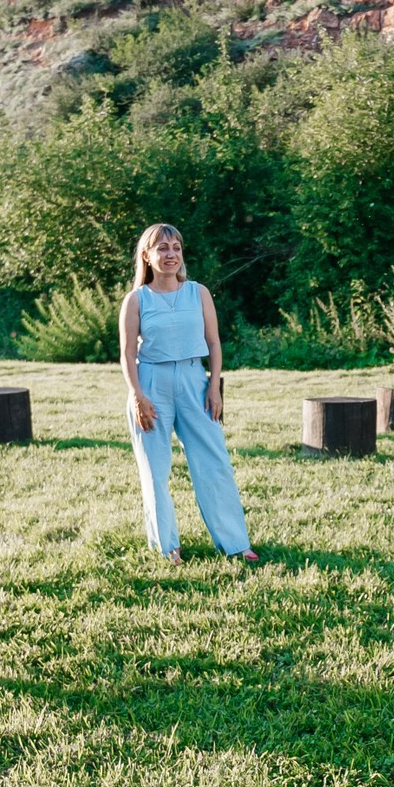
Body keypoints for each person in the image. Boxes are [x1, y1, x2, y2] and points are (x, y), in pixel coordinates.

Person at [119, 223, 255, 563]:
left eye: (176, 247)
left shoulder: (199, 292)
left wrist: (215, 385)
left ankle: (235, 542)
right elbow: (126, 354)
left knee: (215, 462)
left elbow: (213, 342)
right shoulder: (136, 300)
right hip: (151, 384)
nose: (171, 254)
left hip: (195, 381)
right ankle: (167, 546)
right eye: (162, 248)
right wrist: (137, 395)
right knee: (155, 468)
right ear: (147, 256)